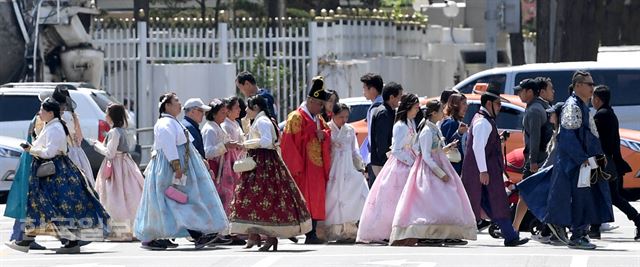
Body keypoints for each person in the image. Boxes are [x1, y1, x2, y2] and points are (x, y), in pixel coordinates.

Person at [6, 98, 110, 254]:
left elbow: (50, 152)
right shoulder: (52, 126)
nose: (39, 113)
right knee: (46, 208)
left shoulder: (55, 128)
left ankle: (32, 241)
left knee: (52, 208)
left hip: (55, 175)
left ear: (50, 112)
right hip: (52, 174)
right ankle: (27, 241)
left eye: (42, 110)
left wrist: (31, 149)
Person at [134, 93, 228, 250]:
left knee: (178, 201)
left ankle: (162, 236)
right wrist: (176, 167)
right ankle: (195, 234)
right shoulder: (165, 123)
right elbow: (169, 146)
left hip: (179, 167)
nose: (179, 104)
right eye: (176, 101)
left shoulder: (172, 122)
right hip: (171, 169)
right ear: (167, 106)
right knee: (179, 201)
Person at [229, 95, 312, 252]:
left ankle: (270, 237)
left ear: (256, 108)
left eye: (248, 107)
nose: (245, 110)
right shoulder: (260, 120)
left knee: (264, 198)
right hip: (260, 162)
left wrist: (246, 144)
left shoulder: (263, 121)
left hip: (263, 163)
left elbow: (267, 141)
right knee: (253, 198)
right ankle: (255, 235)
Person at [390, 99, 477, 246]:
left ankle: (445, 233)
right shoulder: (426, 131)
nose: (444, 113)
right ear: (433, 113)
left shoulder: (433, 128)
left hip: (438, 166)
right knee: (432, 203)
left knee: (447, 200)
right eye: (441, 110)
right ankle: (430, 234)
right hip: (429, 172)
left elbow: (434, 150)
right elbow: (426, 156)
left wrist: (447, 148)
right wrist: (440, 173)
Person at [544, 71, 613, 250]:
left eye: (592, 84)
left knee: (585, 198)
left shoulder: (581, 105)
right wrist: (582, 159)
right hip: (576, 164)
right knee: (580, 199)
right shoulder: (573, 106)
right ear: (578, 86)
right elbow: (568, 137)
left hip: (584, 162)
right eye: (589, 84)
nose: (593, 87)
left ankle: (580, 233)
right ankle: (577, 236)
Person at [461, 86, 529, 247]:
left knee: (491, 203)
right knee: (494, 202)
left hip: (485, 171)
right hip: (484, 172)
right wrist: (483, 171)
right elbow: (478, 148)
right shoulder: (483, 122)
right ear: (489, 103)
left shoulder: (483, 120)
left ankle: (510, 234)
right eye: (498, 104)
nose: (500, 108)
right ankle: (510, 235)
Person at [357, 94, 420, 244]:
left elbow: (414, 144)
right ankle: (387, 231)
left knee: (406, 202)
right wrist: (411, 162)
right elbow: (397, 150)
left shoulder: (411, 123)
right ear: (409, 107)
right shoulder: (399, 126)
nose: (418, 110)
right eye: (416, 107)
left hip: (409, 165)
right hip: (399, 167)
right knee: (392, 201)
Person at [281, 76, 332, 244]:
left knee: (315, 199)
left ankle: (311, 234)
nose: (321, 108)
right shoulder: (296, 117)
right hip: (302, 166)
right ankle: (295, 230)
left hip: (316, 167)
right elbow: (289, 144)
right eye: (319, 104)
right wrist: (295, 167)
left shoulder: (318, 119)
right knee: (300, 200)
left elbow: (327, 133)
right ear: (310, 101)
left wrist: (322, 135)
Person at [588, 85, 639, 241]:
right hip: (610, 161)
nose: (591, 100)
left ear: (597, 99)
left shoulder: (601, 116)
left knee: (607, 195)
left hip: (603, 161)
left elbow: (597, 142)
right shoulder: (609, 113)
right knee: (608, 196)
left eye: (593, 97)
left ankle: (596, 228)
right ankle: (595, 228)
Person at [91, 104, 144, 241]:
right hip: (125, 164)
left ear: (111, 116)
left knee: (114, 198)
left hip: (116, 166)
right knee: (129, 196)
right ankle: (131, 228)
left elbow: (110, 153)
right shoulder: (121, 130)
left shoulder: (114, 132)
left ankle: (119, 231)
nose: (105, 115)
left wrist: (96, 145)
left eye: (107, 113)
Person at [511, 78, 553, 242]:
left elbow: (535, 138)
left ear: (529, 92)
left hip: (537, 159)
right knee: (535, 194)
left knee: (526, 193)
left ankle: (515, 228)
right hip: (542, 158)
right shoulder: (539, 106)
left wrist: (533, 161)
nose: (518, 94)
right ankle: (544, 228)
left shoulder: (535, 110)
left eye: (521, 91)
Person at [322, 103, 369, 243]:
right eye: (340, 116)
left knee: (350, 197)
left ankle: (349, 231)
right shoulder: (327, 129)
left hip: (348, 168)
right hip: (333, 167)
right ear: (333, 115)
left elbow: (355, 151)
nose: (344, 120)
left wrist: (360, 166)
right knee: (333, 198)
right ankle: (333, 232)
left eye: (346, 116)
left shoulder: (349, 129)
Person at [4, 115, 47, 251]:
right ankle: (23, 236)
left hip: (31, 160)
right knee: (30, 200)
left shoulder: (39, 118)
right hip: (34, 161)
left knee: (28, 200)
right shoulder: (41, 119)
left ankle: (23, 236)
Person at [202, 98, 240, 214]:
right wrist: (225, 146)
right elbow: (207, 152)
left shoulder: (219, 127)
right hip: (216, 168)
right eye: (222, 113)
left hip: (223, 168)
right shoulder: (210, 129)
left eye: (225, 112)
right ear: (214, 114)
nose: (225, 115)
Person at [52, 85, 95, 187]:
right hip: (76, 149)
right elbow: (80, 137)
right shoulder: (72, 115)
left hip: (67, 151)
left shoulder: (62, 116)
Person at [368, 82, 403, 187]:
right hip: (381, 162)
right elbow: (381, 142)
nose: (400, 100)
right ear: (392, 97)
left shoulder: (389, 111)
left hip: (385, 161)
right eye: (399, 97)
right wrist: (388, 161)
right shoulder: (383, 113)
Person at [359, 73, 384, 185]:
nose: (363, 91)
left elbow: (373, 136)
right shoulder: (382, 105)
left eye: (365, 88)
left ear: (372, 89)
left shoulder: (375, 108)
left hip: (376, 159)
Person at [440, 93, 468, 175]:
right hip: (452, 167)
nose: (466, 106)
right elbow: (446, 145)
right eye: (463, 103)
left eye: (466, 103)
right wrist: (459, 133)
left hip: (459, 166)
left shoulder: (457, 122)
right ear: (455, 105)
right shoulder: (450, 122)